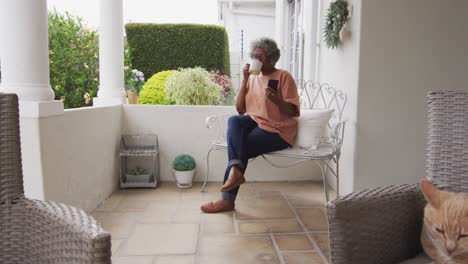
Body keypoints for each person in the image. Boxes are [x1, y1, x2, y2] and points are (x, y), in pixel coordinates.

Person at [200, 37, 300, 213]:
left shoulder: (283, 76)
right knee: (234, 121)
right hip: (256, 121)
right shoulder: (253, 78)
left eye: (260, 56)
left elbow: (293, 111)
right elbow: (240, 109)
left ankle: (227, 198)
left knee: (241, 147)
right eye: (254, 55)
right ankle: (236, 173)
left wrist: (277, 100)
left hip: (279, 130)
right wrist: (245, 80)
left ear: (271, 57)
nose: (256, 59)